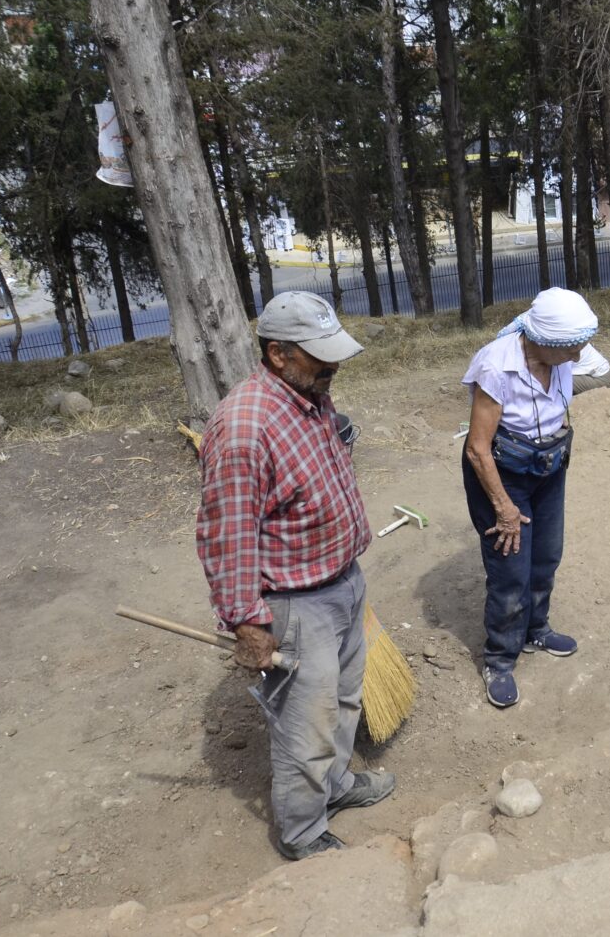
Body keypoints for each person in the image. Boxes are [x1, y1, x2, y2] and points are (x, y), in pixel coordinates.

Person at [196, 291, 396, 862]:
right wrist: (247, 624)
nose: (332, 367)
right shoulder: (243, 427)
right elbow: (226, 536)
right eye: (319, 357)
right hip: (294, 602)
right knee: (304, 729)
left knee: (344, 702)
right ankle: (304, 833)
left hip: (341, 582)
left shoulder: (311, 397)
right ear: (278, 353)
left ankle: (334, 788)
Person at [462, 288, 598, 710]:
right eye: (570, 352)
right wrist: (504, 508)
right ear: (543, 342)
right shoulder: (497, 365)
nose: (577, 359)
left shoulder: (564, 348)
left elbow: (576, 363)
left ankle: (536, 627)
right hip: (502, 474)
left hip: (548, 466)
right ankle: (500, 658)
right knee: (510, 571)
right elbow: (477, 448)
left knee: (546, 555)